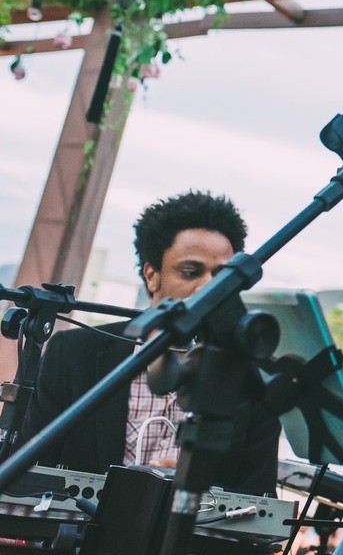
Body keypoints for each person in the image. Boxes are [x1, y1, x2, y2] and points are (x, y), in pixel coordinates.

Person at [22, 190, 280, 496]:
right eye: (191, 271)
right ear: (152, 275)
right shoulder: (73, 353)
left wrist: (200, 488)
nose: (210, 287)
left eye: (222, 275)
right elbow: (27, 472)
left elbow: (260, 504)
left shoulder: (254, 379)